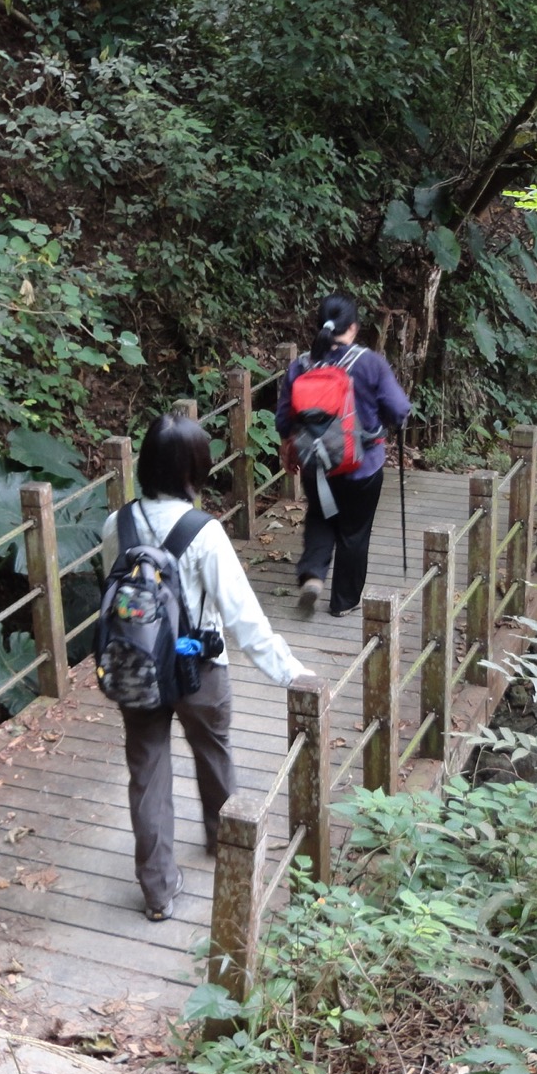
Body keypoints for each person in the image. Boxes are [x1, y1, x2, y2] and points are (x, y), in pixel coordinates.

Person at [101, 414, 308, 921]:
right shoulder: (204, 532)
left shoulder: (116, 524)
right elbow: (242, 616)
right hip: (201, 669)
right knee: (213, 752)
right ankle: (224, 842)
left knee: (146, 773)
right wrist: (290, 674)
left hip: (138, 667)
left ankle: (158, 890)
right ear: (195, 468)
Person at [275, 293, 412, 618]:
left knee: (321, 518)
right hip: (362, 468)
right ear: (353, 327)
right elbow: (398, 409)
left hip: (317, 463)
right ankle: (344, 602)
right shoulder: (370, 363)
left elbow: (283, 417)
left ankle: (312, 575)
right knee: (354, 531)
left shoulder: (302, 365)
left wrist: (287, 444)